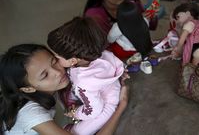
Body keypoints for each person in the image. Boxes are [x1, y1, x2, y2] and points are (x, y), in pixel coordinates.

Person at [0, 44, 129, 135]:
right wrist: (120, 107)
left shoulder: (55, 80)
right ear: (28, 89)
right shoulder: (31, 114)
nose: (57, 72)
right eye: (45, 75)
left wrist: (113, 73)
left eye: (54, 61)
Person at [47, 17, 125, 135]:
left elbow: (94, 110)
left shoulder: (82, 82)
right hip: (110, 88)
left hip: (107, 106)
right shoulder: (100, 54)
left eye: (57, 57)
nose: (54, 61)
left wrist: (76, 113)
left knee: (77, 132)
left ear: (72, 60)